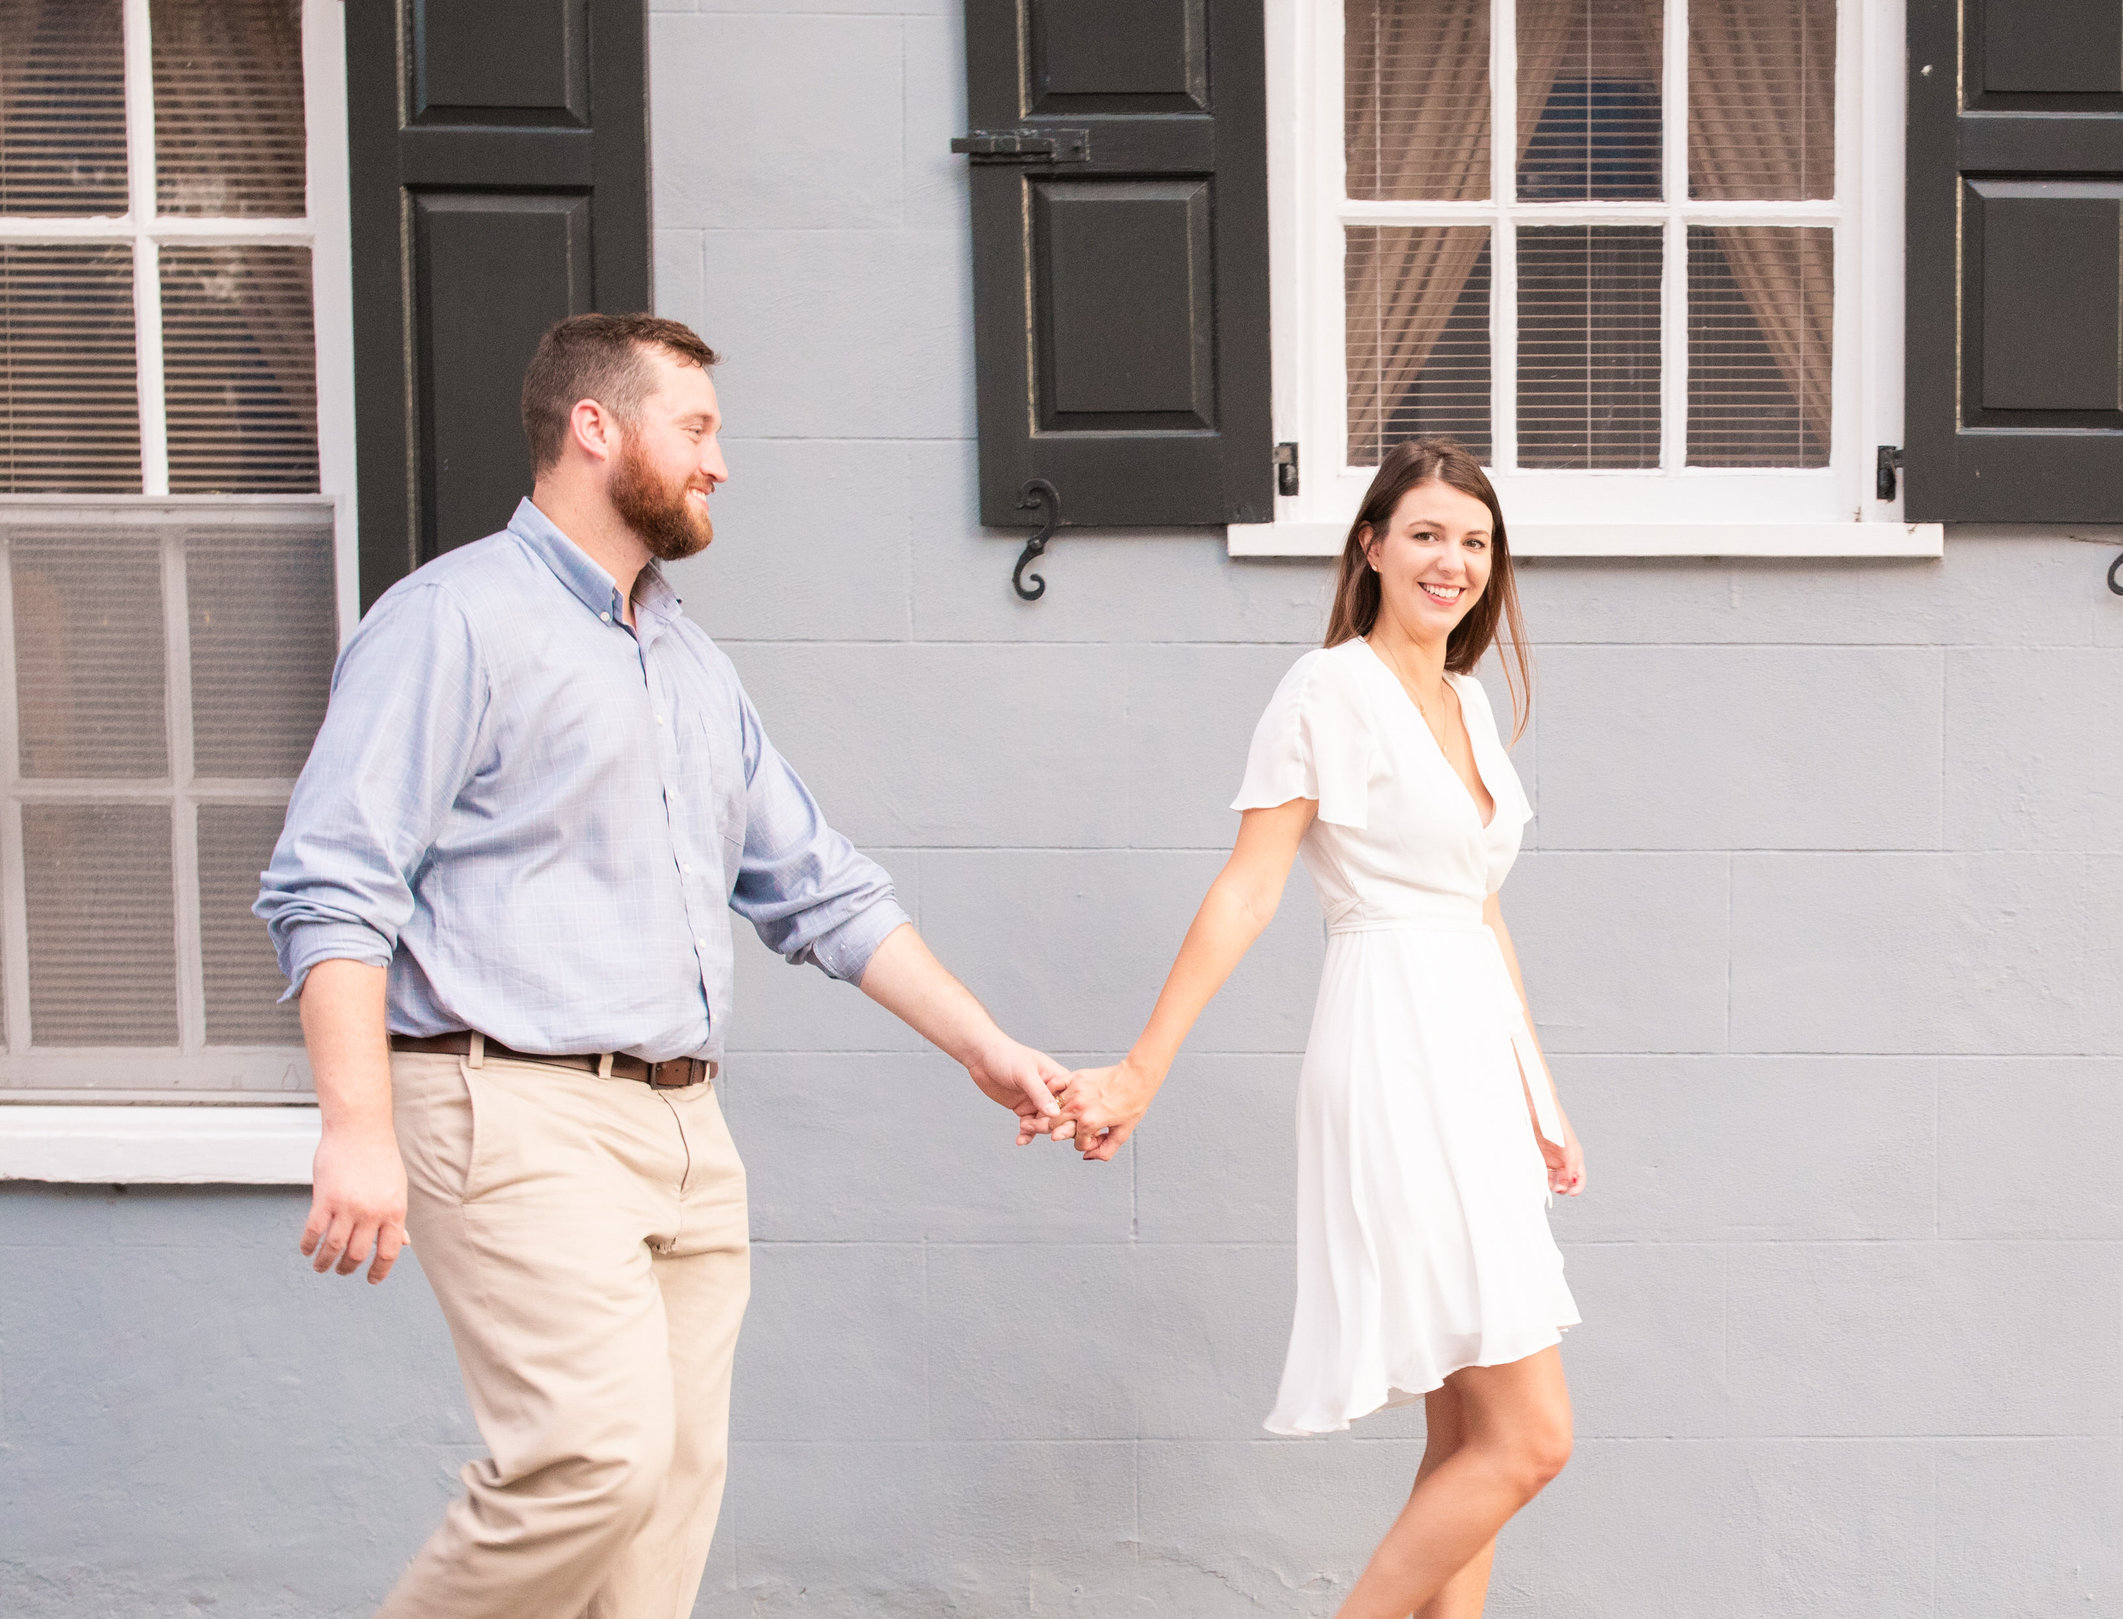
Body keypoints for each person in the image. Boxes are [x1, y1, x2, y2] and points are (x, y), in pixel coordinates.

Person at [257, 313, 1068, 1619]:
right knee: (591, 1460)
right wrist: (356, 1126)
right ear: (597, 427)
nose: (720, 463)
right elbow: (332, 880)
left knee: (661, 1516)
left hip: (687, 1126)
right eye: (695, 428)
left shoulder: (688, 660)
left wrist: (988, 1047)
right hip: (510, 1104)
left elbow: (820, 884)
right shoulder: (453, 621)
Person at [1055, 437, 1584, 1619]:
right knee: (1532, 1439)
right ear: (1373, 546)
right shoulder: (1327, 687)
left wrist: (1541, 1095)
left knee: (1472, 1433)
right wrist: (1143, 1067)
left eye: (1475, 541)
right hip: (1395, 1051)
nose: (1453, 560)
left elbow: (1482, 908)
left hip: (1475, 1061)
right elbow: (1249, 886)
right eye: (1428, 534)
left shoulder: (1469, 704)